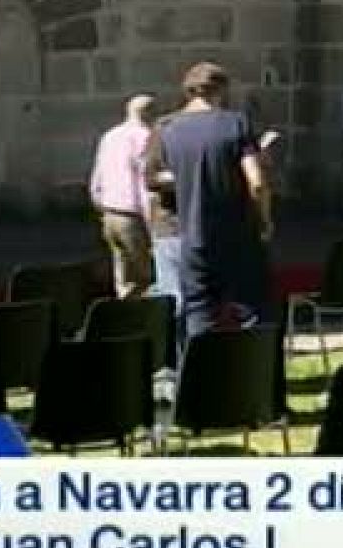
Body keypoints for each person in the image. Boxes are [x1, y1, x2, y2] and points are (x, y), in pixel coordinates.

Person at [148, 62, 274, 345]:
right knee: (254, 313)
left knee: (199, 317)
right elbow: (256, 181)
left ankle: (198, 379)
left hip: (193, 235)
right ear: (222, 90)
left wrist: (189, 178)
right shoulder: (235, 123)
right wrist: (265, 219)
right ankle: (259, 376)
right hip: (237, 232)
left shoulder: (168, 128)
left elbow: (154, 177)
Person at [88, 95, 156, 299]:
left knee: (123, 277)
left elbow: (97, 175)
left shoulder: (110, 136)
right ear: (150, 113)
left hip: (110, 213)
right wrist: (151, 222)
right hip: (132, 216)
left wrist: (99, 204)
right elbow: (144, 181)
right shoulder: (145, 137)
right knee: (145, 278)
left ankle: (124, 315)